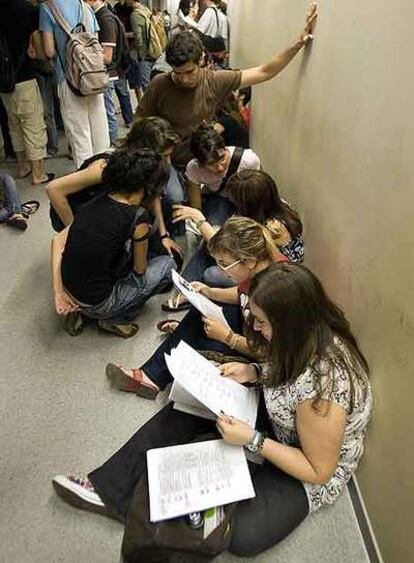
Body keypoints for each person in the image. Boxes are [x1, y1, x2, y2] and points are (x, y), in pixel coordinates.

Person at [51, 262, 372, 558]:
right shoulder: (299, 334)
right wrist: (255, 372)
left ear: (287, 321)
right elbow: (283, 366)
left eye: (261, 322)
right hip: (281, 418)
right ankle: (109, 489)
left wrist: (253, 440)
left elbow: (319, 471)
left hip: (308, 464)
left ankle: (230, 470)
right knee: (185, 407)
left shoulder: (325, 388)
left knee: (243, 536)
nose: (256, 329)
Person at [104, 217, 285, 395]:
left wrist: (228, 337)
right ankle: (162, 363)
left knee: (200, 334)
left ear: (249, 261)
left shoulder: (275, 295)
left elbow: (270, 355)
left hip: (261, 355)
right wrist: (208, 292)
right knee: (202, 314)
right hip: (251, 329)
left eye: (225, 264)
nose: (221, 270)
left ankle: (155, 373)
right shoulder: (260, 268)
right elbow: (241, 294)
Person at [135, 3, 318, 169]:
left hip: (202, 161)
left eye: (189, 72)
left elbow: (265, 72)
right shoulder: (160, 83)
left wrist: (298, 43)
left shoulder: (214, 80)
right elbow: (140, 121)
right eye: (177, 73)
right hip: (169, 161)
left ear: (201, 60)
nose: (183, 79)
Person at [51, 149, 176, 338]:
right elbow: (139, 271)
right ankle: (115, 317)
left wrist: (59, 291)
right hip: (98, 302)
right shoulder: (137, 218)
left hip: (70, 288)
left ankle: (83, 312)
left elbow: (57, 241)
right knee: (167, 265)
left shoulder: (95, 202)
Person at [46, 117, 184, 262]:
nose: (168, 163)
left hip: (106, 209)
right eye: (164, 157)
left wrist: (164, 235)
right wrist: (75, 233)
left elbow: (154, 193)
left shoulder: (144, 165)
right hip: (75, 212)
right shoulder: (105, 167)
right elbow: (54, 189)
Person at [167, 168, 304, 311]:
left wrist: (200, 220)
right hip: (255, 264)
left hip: (269, 278)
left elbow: (226, 246)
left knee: (211, 274)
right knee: (206, 247)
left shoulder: (272, 228)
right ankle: (185, 289)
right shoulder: (276, 205)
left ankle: (188, 292)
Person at [39, 0, 110, 169]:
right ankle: (104, 176)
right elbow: (95, 43)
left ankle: (87, 183)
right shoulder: (86, 7)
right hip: (93, 78)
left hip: (68, 80)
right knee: (100, 132)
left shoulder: (47, 8)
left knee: (80, 136)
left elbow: (48, 50)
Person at [0, 0, 53, 185]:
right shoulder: (25, 9)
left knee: (13, 125)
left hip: (3, 82)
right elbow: (40, 33)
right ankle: (38, 174)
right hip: (23, 76)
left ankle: (23, 167)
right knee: (33, 126)